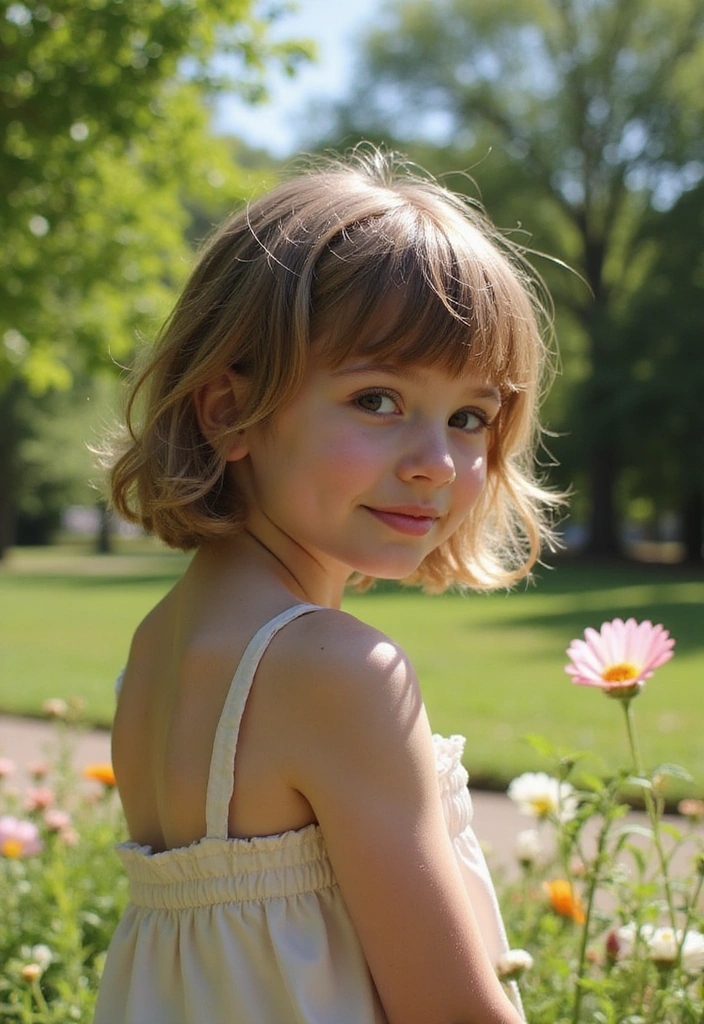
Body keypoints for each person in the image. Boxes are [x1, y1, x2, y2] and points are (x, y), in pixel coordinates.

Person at [94, 145, 561, 1024]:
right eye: (379, 400)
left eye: (470, 418)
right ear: (230, 409)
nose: (436, 464)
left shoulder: (159, 647)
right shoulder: (338, 670)